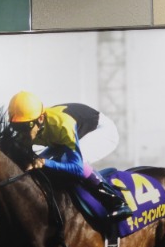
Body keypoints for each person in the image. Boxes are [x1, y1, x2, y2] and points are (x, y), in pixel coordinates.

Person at [8, 91, 131, 220]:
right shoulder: (31, 127)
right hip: (67, 137)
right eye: (16, 127)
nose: (21, 133)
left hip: (101, 131)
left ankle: (116, 203)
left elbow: (76, 168)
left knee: (63, 162)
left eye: (26, 126)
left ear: (40, 119)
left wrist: (45, 162)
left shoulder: (61, 125)